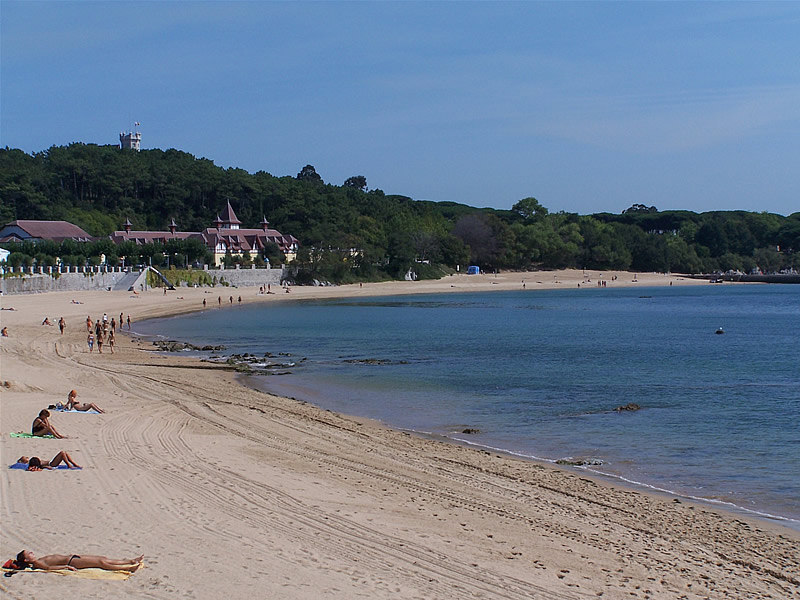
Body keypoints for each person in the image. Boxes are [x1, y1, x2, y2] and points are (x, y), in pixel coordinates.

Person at [12, 550, 143, 572]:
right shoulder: (37, 563)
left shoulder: (37, 560)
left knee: (103, 559)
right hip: (71, 562)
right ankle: (128, 568)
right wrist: (66, 567)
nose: (31, 553)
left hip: (72, 557)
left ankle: (130, 561)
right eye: (28, 553)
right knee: (102, 563)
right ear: (26, 559)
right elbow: (49, 568)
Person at [17, 451, 81, 470]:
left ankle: (73, 463)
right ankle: (69, 465)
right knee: (62, 453)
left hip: (50, 463)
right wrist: (47, 467)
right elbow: (40, 466)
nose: (27, 457)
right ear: (24, 461)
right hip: (51, 464)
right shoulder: (32, 462)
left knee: (64, 453)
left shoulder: (31, 461)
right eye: (26, 458)